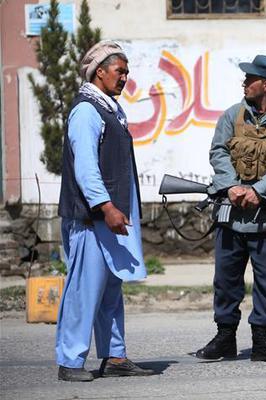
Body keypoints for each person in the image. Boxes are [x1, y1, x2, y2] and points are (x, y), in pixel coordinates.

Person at [195, 55, 266, 362]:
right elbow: (218, 152)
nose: (244, 84)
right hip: (231, 212)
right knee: (226, 279)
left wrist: (258, 191)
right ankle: (225, 338)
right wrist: (232, 186)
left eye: (250, 79)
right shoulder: (232, 115)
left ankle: (262, 340)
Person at [56, 40, 154, 381]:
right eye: (119, 71)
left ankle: (115, 357)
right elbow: (85, 168)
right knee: (84, 291)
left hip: (109, 220)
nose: (125, 77)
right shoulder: (86, 110)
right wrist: (107, 207)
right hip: (90, 219)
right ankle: (70, 361)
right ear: (100, 72)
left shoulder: (109, 109)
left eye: (126, 72)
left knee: (111, 290)